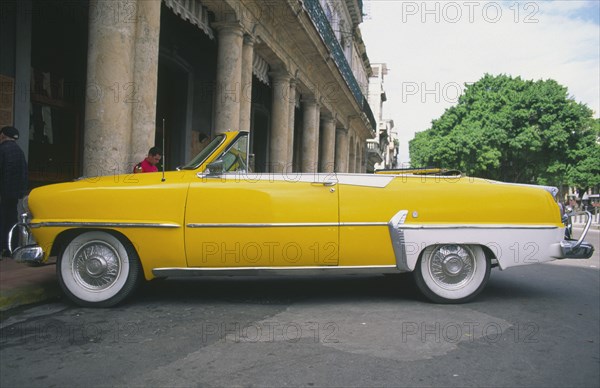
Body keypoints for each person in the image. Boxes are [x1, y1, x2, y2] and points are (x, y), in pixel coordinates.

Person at [0, 126, 28, 257]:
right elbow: (24, 174)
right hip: (13, 194)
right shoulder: (20, 151)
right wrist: (20, 192)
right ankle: (11, 248)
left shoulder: (2, 150)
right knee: (11, 219)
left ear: (3, 135)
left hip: (2, 193)